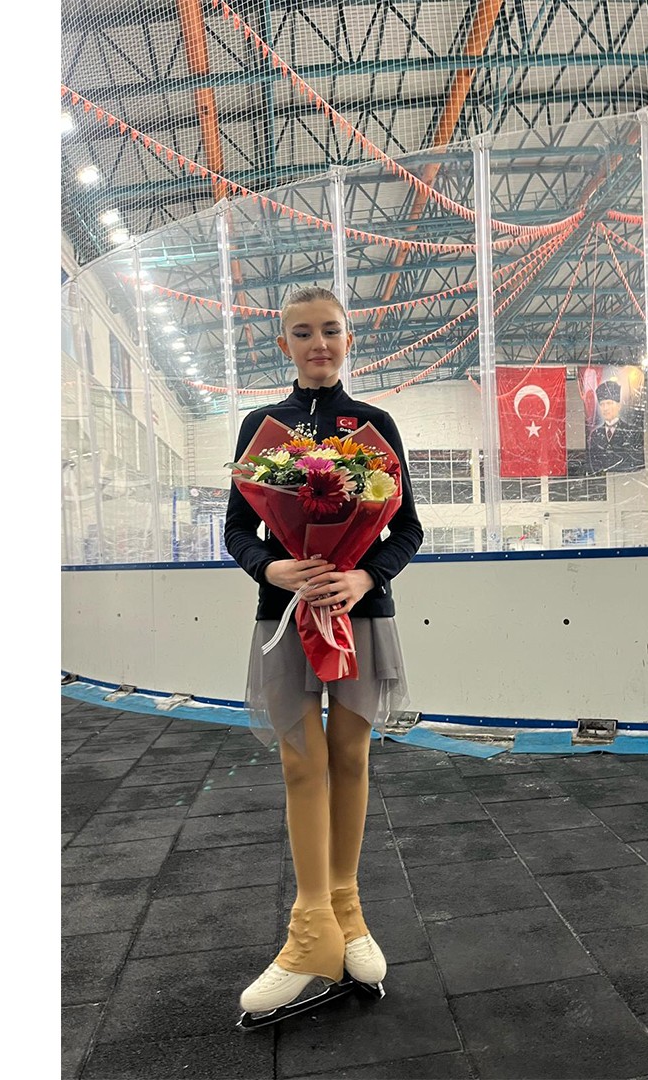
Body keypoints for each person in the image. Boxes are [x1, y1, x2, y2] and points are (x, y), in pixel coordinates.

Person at [222, 285, 424, 1023]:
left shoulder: (375, 426)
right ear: (284, 344)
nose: (318, 344)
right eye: (303, 333)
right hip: (285, 614)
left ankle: (349, 913)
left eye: (330, 330)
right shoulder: (262, 428)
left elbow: (408, 529)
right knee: (300, 763)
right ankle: (309, 930)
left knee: (351, 758)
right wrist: (272, 567)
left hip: (359, 614)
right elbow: (238, 529)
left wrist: (363, 575)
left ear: (348, 339)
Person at [584, 378, 643, 473]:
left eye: (609, 403)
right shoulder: (595, 434)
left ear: (619, 406)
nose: (605, 408)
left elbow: (636, 461)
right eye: (602, 404)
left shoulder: (631, 431)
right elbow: (593, 464)